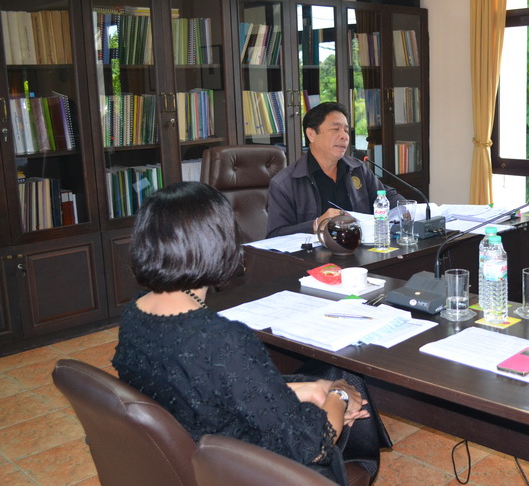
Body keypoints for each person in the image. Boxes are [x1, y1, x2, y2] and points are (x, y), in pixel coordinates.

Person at [112, 182, 389, 485]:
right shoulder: (223, 339)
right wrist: (338, 397)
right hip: (242, 469)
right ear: (219, 244)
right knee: (346, 380)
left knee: (327, 376)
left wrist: (308, 390)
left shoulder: (134, 313)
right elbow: (310, 446)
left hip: (193, 449)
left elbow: (216, 387)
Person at [267, 102, 400, 238]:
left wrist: (405, 208)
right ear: (311, 134)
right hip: (316, 251)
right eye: (336, 129)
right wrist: (316, 224)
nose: (344, 136)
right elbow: (275, 235)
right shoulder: (284, 184)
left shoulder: (357, 168)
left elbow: (386, 195)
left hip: (360, 247)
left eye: (346, 130)